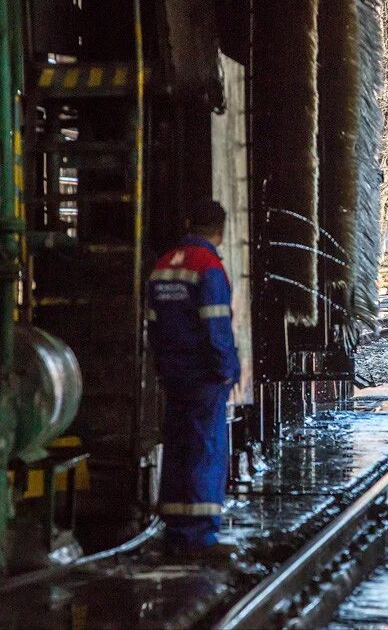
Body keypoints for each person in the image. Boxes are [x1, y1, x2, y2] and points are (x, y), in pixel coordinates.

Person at [147, 199, 240, 559]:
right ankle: (200, 535)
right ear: (220, 230)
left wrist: (164, 364)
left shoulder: (163, 266)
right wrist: (225, 370)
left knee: (178, 447)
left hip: (173, 373)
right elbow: (216, 326)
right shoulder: (208, 267)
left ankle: (175, 527)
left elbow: (154, 325)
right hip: (203, 376)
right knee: (206, 449)